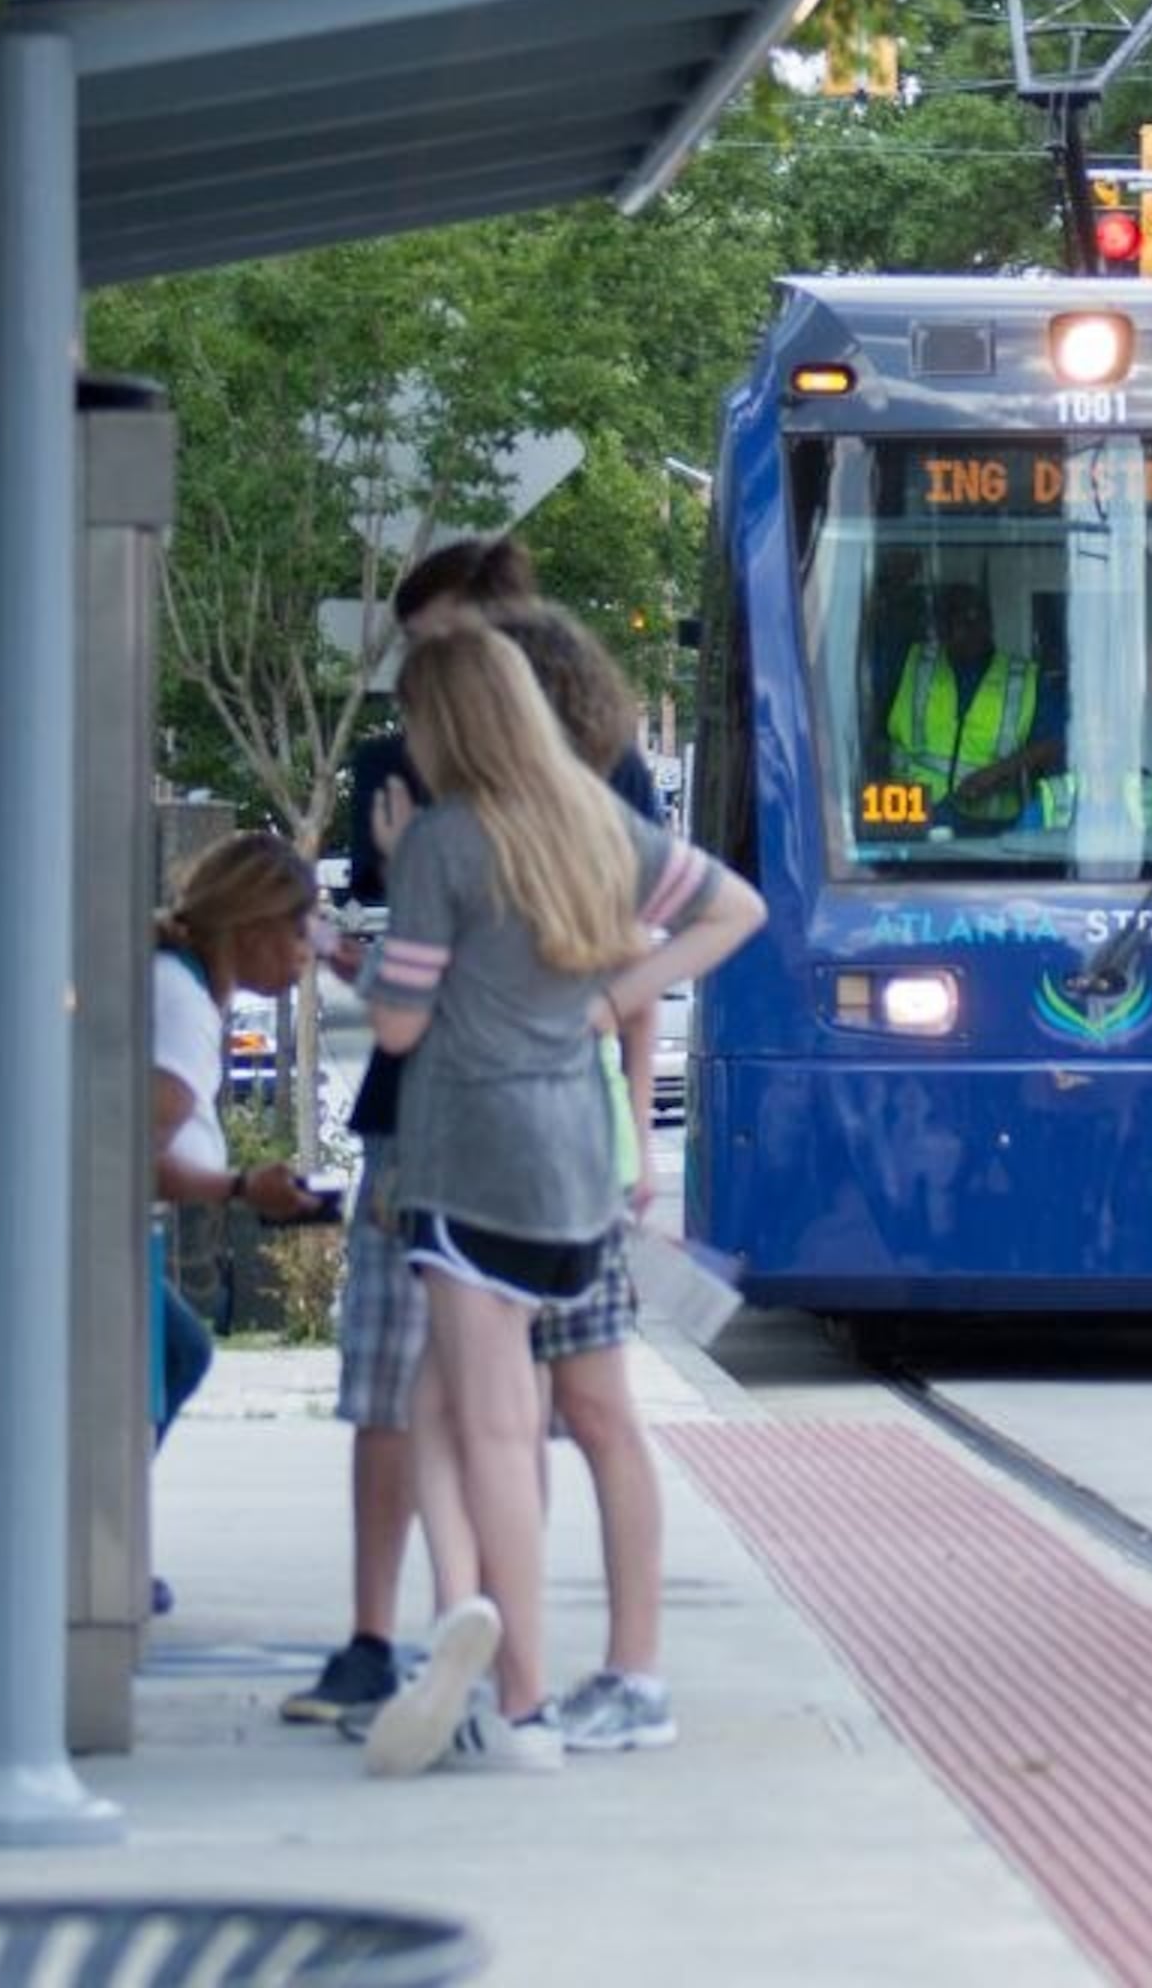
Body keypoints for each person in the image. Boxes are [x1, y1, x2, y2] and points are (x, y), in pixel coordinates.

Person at [357, 625, 761, 1779]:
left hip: (468, 1160)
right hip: (577, 1170)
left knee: (490, 1428)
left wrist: (388, 907)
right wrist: (611, 997)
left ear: (449, 725)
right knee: (484, 1410)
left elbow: (396, 1023)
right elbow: (735, 910)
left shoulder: (442, 842)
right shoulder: (601, 824)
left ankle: (520, 1697)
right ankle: (482, 1627)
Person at [288, 537, 552, 1727]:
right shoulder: (395, 766)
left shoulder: (578, 761)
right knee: (394, 1387)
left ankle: (502, 1642)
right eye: (410, 655)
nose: (419, 680)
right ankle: (385, 1635)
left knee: (526, 1402)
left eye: (439, 647)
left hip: (527, 1127)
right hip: (424, 1124)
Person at [151, 832, 332, 1609]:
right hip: (97, 1237)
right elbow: (121, 1148)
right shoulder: (182, 1004)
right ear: (252, 926)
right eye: (298, 931)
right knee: (167, 1364)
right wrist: (237, 1188)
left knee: (177, 1356)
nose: (305, 953)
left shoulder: (182, 989)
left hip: (118, 1234)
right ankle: (94, 1555)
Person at [884, 581, 1050, 828]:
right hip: (907, 817)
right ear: (940, 628)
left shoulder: (1024, 678)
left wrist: (997, 773)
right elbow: (856, 727)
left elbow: (1053, 743)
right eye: (953, 622)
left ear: (989, 624)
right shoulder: (911, 662)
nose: (963, 631)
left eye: (973, 620)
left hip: (988, 829)